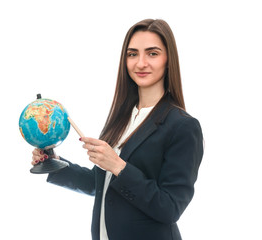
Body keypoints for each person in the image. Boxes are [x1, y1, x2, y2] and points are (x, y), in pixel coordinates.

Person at [31, 19, 203, 240]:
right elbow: (100, 185)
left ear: (168, 59)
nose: (141, 63)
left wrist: (119, 166)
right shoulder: (121, 118)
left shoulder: (183, 126)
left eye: (152, 53)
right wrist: (53, 162)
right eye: (132, 54)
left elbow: (170, 208)